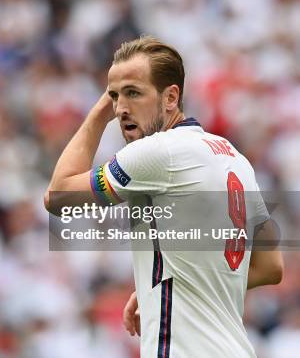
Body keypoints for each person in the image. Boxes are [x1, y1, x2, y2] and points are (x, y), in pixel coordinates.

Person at [44, 36, 283, 358]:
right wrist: (161, 290)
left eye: (133, 93)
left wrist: (99, 110)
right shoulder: (235, 159)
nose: (120, 109)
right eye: (114, 97)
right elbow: (270, 267)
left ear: (171, 97)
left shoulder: (158, 152)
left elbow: (58, 197)